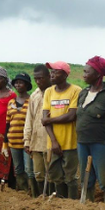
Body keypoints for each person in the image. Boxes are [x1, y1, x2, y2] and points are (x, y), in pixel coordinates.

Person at [76, 56, 105, 209]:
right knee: (86, 179)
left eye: (86, 71)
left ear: (97, 74)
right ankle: (89, 209)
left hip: (102, 144)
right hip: (82, 143)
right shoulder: (83, 93)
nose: (83, 74)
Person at [42, 61, 82, 199]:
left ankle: (71, 207)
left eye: (55, 71)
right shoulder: (48, 91)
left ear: (65, 75)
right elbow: (44, 120)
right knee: (56, 176)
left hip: (70, 143)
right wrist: (53, 141)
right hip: (53, 143)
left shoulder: (76, 91)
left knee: (70, 177)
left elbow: (71, 115)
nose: (51, 74)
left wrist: (50, 119)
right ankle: (61, 207)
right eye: (51, 71)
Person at [24, 65, 52, 196]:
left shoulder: (54, 93)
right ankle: (41, 199)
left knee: (52, 174)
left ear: (48, 77)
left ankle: (55, 202)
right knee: (38, 174)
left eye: (41, 78)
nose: (38, 81)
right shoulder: (34, 96)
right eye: (36, 79)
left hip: (51, 141)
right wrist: (27, 140)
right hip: (36, 142)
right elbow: (29, 119)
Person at [6, 72, 34, 192]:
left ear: (27, 85)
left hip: (28, 142)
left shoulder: (32, 101)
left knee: (29, 169)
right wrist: (5, 142)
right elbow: (8, 123)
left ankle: (33, 193)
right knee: (18, 169)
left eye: (21, 82)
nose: (18, 85)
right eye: (16, 82)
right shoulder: (11, 102)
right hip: (13, 141)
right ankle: (23, 193)